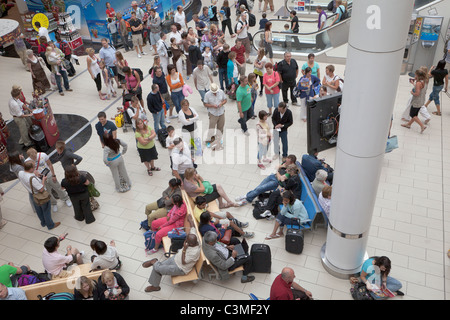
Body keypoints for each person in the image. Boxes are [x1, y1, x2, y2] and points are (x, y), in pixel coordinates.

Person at [142, 215, 200, 292]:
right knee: (158, 268)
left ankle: (154, 262)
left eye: (186, 241)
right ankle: (155, 286)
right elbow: (193, 228)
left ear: (191, 244)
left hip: (180, 268)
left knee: (157, 267)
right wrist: (190, 220)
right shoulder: (194, 238)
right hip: (176, 258)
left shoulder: (194, 252)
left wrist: (184, 249)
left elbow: (184, 262)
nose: (185, 241)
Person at [26, 148, 72, 212]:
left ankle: (65, 198)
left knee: (57, 187)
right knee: (47, 191)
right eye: (32, 157)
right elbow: (28, 171)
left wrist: (53, 175)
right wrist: (35, 173)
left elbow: (49, 164)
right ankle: (54, 203)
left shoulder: (43, 155)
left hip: (49, 174)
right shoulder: (27, 161)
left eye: (35, 156)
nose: (34, 158)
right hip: (40, 179)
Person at [401, 69, 428, 134]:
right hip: (421, 100)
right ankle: (408, 124)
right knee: (415, 114)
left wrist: (412, 93)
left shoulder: (418, 83)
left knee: (412, 114)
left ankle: (422, 126)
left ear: (418, 75)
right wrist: (413, 84)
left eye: (415, 75)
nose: (415, 76)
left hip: (416, 101)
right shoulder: (423, 81)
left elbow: (417, 93)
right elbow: (419, 89)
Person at [203, 83, 227, 148]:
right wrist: (212, 106)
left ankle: (218, 139)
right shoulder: (207, 94)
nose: (215, 93)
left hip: (221, 112)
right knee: (211, 128)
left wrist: (221, 104)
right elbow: (205, 104)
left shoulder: (221, 92)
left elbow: (225, 100)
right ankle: (209, 141)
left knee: (221, 127)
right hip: (213, 113)